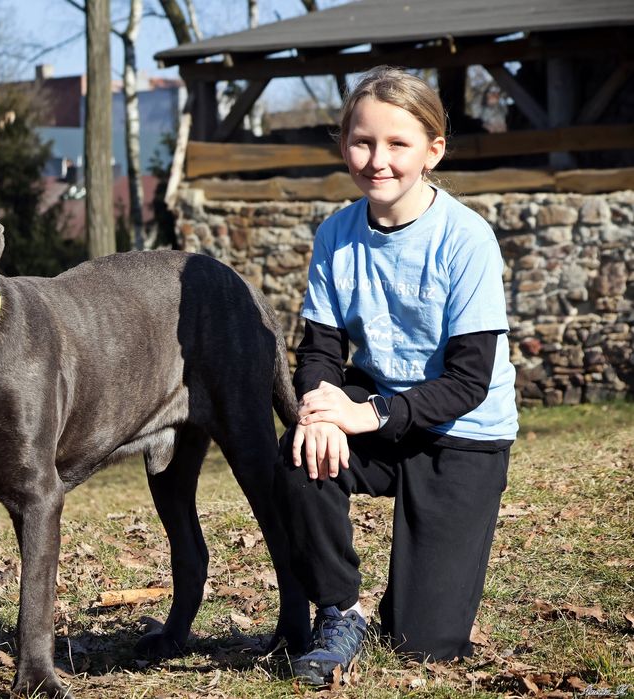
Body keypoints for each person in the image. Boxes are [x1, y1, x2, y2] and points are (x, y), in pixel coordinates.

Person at [273, 65, 518, 685]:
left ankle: (413, 608)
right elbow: (320, 351)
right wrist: (319, 408)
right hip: (380, 408)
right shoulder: (336, 234)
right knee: (301, 452)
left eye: (397, 144)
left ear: (433, 151)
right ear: (344, 145)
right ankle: (339, 610)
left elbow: (470, 381)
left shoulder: (466, 240)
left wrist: (367, 413)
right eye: (362, 141)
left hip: (464, 431)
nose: (377, 160)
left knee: (423, 645)